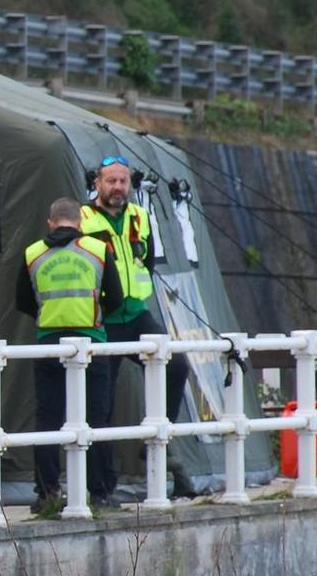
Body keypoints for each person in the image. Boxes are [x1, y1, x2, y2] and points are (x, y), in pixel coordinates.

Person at [81, 157, 188, 498]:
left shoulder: (140, 217)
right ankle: (100, 487)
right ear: (98, 183)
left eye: (123, 181)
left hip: (136, 315)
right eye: (111, 181)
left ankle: (156, 438)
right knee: (100, 404)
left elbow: (147, 259)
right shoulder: (84, 218)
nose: (117, 188)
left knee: (176, 366)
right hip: (103, 320)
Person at [16, 198, 122, 510]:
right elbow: (114, 298)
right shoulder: (98, 251)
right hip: (90, 340)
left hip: (49, 341)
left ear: (51, 222)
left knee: (47, 419)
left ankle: (47, 492)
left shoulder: (32, 253)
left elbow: (22, 300)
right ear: (80, 223)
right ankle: (99, 492)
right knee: (96, 418)